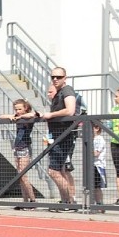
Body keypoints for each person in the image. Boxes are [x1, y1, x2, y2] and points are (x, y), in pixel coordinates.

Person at [42, 68, 77, 211]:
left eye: (58, 77)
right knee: (60, 171)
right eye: (53, 77)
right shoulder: (57, 94)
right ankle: (66, 201)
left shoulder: (67, 90)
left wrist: (51, 115)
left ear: (65, 77)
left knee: (54, 171)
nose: (55, 79)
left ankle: (69, 202)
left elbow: (70, 110)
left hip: (64, 135)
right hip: (56, 135)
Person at [0, 99, 39, 210]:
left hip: (25, 147)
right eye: (16, 109)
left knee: (23, 175)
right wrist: (11, 116)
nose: (18, 111)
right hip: (17, 148)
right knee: (20, 176)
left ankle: (33, 200)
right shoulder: (16, 115)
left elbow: (34, 114)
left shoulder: (28, 116)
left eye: (20, 109)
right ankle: (25, 201)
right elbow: (0, 116)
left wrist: (21, 116)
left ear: (25, 108)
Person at [91, 121, 107, 211]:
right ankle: (94, 203)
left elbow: (96, 153)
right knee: (92, 186)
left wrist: (88, 151)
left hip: (98, 166)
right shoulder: (92, 139)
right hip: (92, 165)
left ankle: (100, 204)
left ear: (97, 128)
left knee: (97, 186)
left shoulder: (99, 139)